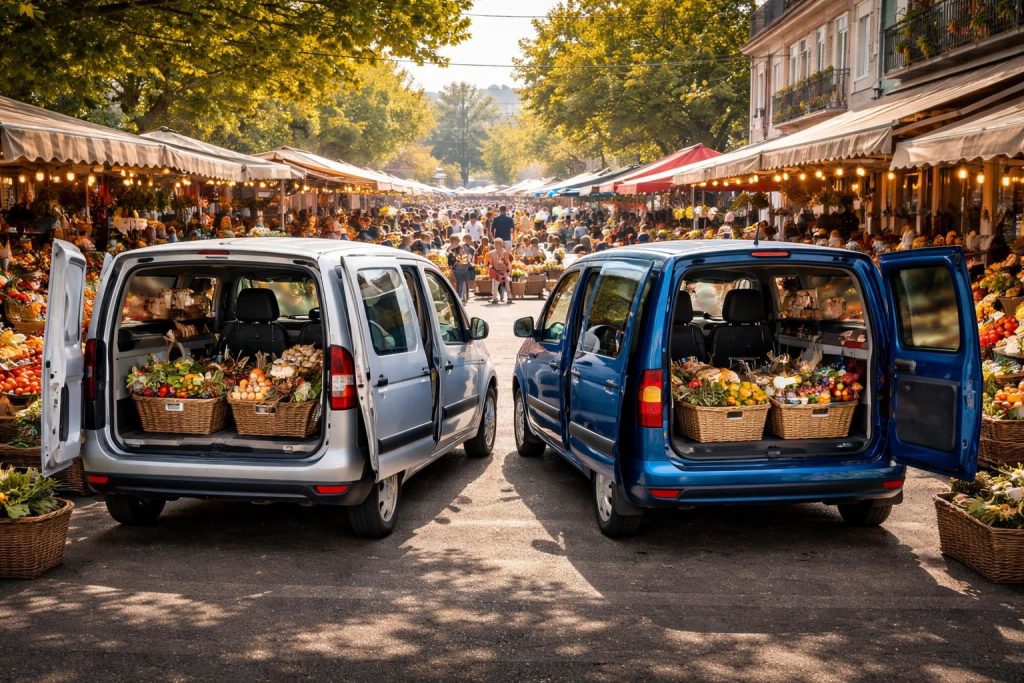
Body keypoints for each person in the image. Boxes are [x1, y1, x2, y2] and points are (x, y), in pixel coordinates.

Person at [448, 235, 475, 303]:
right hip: (459, 269)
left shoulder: (459, 248)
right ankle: (462, 297)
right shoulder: (451, 249)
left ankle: (461, 298)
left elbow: (464, 258)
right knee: (461, 283)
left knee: (461, 284)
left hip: (460, 269)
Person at [488, 237, 513, 305]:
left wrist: (508, 271)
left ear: (502, 245)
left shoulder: (505, 253)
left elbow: (508, 262)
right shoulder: (492, 253)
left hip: (505, 272)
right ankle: (495, 298)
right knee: (495, 285)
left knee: (507, 285)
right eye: (495, 244)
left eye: (497, 244)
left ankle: (509, 297)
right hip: (497, 272)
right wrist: (492, 269)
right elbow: (491, 263)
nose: (496, 246)